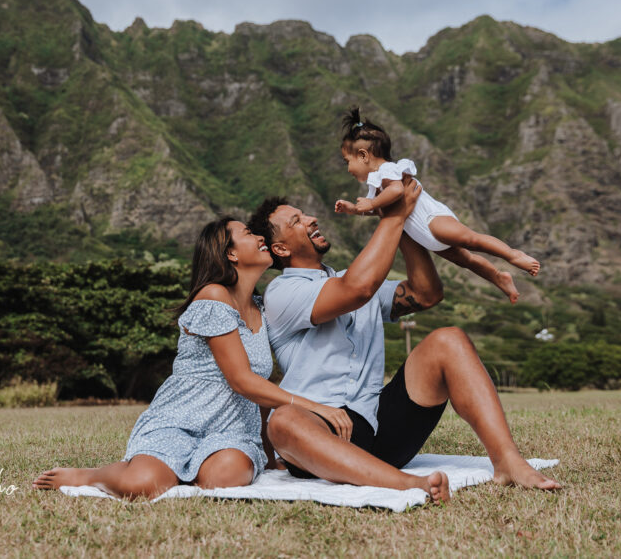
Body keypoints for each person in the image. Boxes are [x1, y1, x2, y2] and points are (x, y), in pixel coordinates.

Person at [32, 217, 447, 502]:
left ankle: (187, 468)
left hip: (233, 429)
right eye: (248, 234)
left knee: (225, 480)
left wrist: (276, 445)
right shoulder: (213, 297)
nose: (259, 237)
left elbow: (264, 390)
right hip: (182, 418)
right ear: (230, 253)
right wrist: (316, 408)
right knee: (145, 484)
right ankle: (92, 475)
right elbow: (242, 381)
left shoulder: (265, 310)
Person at [247, 184, 561, 491]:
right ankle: (407, 484)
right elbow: (358, 290)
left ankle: (508, 462)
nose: (310, 219)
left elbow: (425, 294)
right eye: (296, 221)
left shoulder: (348, 277)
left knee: (448, 340)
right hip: (319, 431)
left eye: (304, 214)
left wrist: (407, 221)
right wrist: (393, 217)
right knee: (283, 421)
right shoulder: (282, 292)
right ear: (281, 249)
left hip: (377, 426)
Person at [333, 107, 538, 304]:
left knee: (471, 239)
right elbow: (380, 209)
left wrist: (371, 202)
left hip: (432, 220)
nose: (348, 168)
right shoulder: (376, 184)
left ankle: (513, 255)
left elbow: (396, 191)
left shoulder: (388, 171)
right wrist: (355, 208)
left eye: (347, 161)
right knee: (465, 259)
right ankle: (498, 277)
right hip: (424, 235)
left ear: (363, 155)